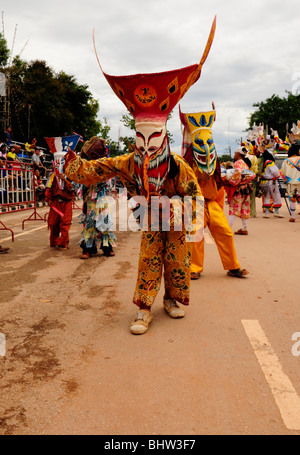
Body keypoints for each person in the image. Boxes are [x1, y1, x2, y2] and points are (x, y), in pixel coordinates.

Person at [64, 17, 216, 334]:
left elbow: (195, 197)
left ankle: (173, 301)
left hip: (174, 222)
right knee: (148, 261)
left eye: (153, 137)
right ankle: (143, 309)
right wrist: (74, 164)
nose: (146, 145)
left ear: (164, 135)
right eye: (140, 137)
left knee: (177, 264)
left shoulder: (178, 165)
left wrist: (178, 212)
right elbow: (96, 169)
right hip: (149, 220)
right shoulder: (128, 161)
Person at [179, 105, 249, 279]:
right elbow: (180, 183)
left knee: (225, 232)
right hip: (195, 203)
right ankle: (194, 268)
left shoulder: (215, 162)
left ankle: (233, 266)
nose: (206, 147)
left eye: (209, 143)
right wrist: (196, 177)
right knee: (196, 235)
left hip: (211, 202)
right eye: (201, 143)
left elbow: (219, 183)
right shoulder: (186, 162)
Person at [78, 136, 116, 259]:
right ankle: (88, 248)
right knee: (90, 220)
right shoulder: (86, 161)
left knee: (104, 219)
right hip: (90, 192)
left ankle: (107, 247)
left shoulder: (106, 161)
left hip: (103, 193)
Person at [227, 148, 255, 234]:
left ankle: (227, 230)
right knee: (244, 208)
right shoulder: (245, 164)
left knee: (233, 209)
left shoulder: (237, 163)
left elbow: (237, 175)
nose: (234, 155)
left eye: (235, 153)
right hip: (246, 188)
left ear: (238, 154)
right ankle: (244, 228)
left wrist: (230, 182)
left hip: (238, 189)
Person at [45, 171, 75, 250]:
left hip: (66, 202)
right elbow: (48, 187)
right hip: (55, 202)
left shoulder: (71, 174)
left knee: (65, 223)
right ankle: (54, 241)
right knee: (53, 222)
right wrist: (48, 199)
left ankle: (63, 243)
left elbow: (73, 188)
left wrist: (64, 179)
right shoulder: (52, 175)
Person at [259, 149, 283, 218]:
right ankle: (276, 212)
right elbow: (275, 172)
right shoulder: (270, 162)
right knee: (276, 196)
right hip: (271, 182)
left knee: (266, 197)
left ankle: (266, 213)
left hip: (264, 181)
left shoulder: (263, 163)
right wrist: (278, 175)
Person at [280, 143, 300, 222]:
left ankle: (292, 217)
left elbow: (283, 172)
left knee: (292, 199)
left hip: (290, 182)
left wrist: (285, 179)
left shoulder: (286, 161)